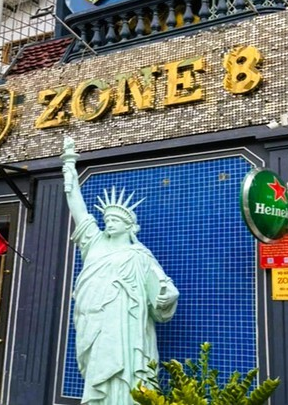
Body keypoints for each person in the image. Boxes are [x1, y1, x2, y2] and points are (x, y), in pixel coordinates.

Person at [61, 137, 179, 405]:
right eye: (107, 219)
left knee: (128, 369)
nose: (109, 223)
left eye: (115, 220)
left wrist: (167, 296)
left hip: (127, 324)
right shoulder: (94, 243)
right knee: (98, 368)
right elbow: (78, 209)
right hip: (95, 322)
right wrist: (69, 169)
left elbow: (162, 287)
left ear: (129, 226)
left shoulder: (140, 256)